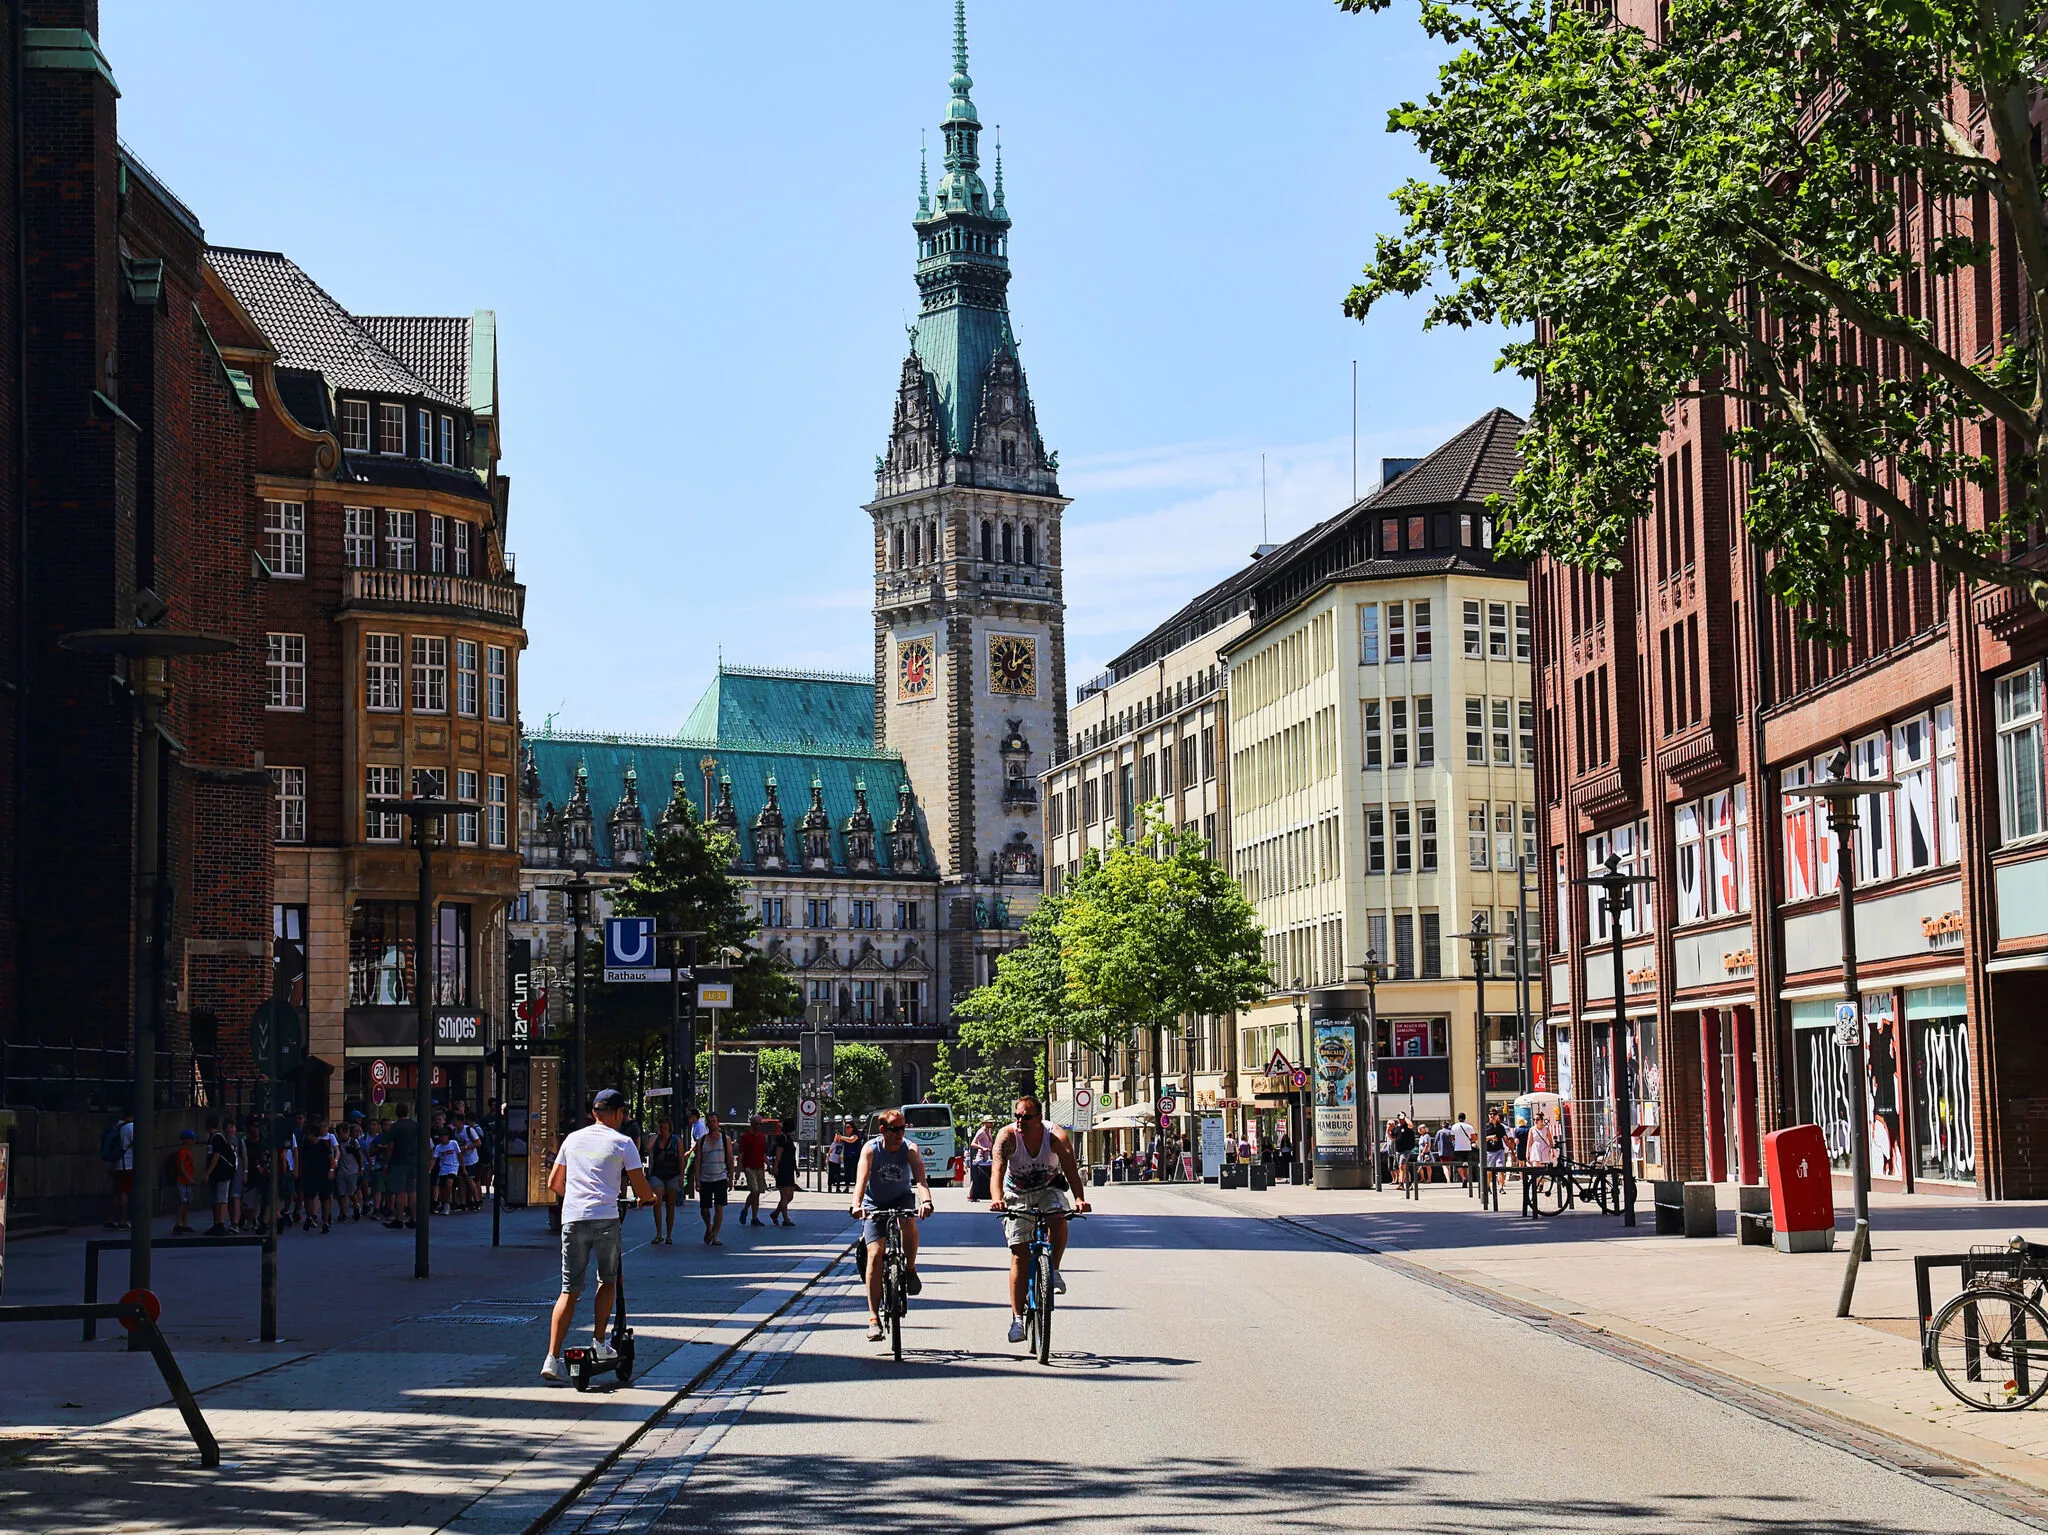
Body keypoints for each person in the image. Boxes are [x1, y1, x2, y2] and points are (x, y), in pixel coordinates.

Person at [543, 1088, 657, 1383]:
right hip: (606, 1219)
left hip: (573, 1219)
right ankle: (598, 1342)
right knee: (607, 1280)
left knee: (569, 1289)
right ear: (618, 1114)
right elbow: (642, 1188)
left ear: (594, 1113)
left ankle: (552, 1358)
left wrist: (577, 1200)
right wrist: (649, 1198)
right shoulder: (623, 1143)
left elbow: (555, 1183)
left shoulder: (572, 1138)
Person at [989, 1096, 1091, 1343]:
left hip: (1048, 1188)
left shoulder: (1055, 1136)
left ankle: (1053, 1269)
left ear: (1039, 1118)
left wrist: (1079, 1199)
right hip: (1016, 1193)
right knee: (1019, 1255)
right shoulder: (1007, 1137)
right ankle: (1017, 1320)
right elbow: (997, 1171)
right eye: (1017, 1116)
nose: (1020, 1121)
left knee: (1059, 1216)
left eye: (1026, 1116)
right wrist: (997, 1198)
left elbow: (1070, 1170)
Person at [848, 1108, 935, 1343]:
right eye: (894, 1129)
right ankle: (874, 1319)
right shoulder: (871, 1150)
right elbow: (861, 1180)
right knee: (875, 1255)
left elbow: (921, 1180)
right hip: (874, 1202)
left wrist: (926, 1201)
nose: (900, 1133)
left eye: (903, 1128)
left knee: (909, 1222)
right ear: (883, 1130)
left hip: (901, 1199)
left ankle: (910, 1269)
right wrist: (856, 1205)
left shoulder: (910, 1149)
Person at [690, 1110, 736, 1246]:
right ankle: (709, 1226)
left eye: (714, 1121)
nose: (712, 1124)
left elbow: (730, 1159)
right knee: (704, 1209)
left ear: (718, 1122)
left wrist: (731, 1178)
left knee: (719, 1207)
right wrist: (697, 1179)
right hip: (705, 1178)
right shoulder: (702, 1140)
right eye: (709, 1122)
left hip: (720, 1177)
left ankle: (715, 1235)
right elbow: (698, 1160)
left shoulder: (725, 1139)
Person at [644, 1116, 684, 1244]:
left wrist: (682, 1176)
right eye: (661, 1128)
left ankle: (669, 1235)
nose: (663, 1131)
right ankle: (659, 1233)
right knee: (657, 1202)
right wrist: (656, 1135)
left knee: (670, 1204)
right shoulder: (655, 1139)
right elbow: (647, 1149)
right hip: (657, 1174)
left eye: (666, 1128)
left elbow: (681, 1159)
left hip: (673, 1174)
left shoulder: (676, 1140)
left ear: (670, 1128)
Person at [384, 1101, 420, 1229]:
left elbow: (390, 1146)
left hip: (399, 1161)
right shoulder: (415, 1125)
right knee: (412, 1191)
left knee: (400, 1191)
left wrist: (387, 1163)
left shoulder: (396, 1127)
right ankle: (414, 1218)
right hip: (413, 1161)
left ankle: (399, 1219)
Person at [302, 1116, 338, 1232]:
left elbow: (331, 1159)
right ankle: (309, 1216)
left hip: (323, 1173)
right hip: (310, 1174)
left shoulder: (324, 1145)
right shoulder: (306, 1146)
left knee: (325, 1197)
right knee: (309, 1196)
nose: (308, 1137)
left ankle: (325, 1221)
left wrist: (331, 1170)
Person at [204, 1115, 237, 1236]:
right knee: (216, 1198)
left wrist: (207, 1172)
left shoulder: (216, 1138)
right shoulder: (214, 1138)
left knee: (222, 1198)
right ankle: (217, 1222)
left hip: (222, 1172)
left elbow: (216, 1155)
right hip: (218, 1173)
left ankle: (221, 1223)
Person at [737, 1115, 770, 1227]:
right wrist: (738, 1169)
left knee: (758, 1193)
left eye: (761, 1124)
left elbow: (764, 1154)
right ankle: (746, 1210)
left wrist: (770, 1166)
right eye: (757, 1124)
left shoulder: (762, 1137)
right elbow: (741, 1154)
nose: (759, 1126)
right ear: (752, 1124)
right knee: (754, 1191)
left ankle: (754, 1217)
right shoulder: (745, 1137)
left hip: (760, 1167)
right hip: (749, 1167)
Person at [171, 1129, 198, 1234]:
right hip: (182, 1181)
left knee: (186, 1203)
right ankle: (179, 1224)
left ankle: (185, 1224)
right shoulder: (183, 1152)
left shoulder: (188, 1151)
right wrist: (189, 1178)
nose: (194, 1140)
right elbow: (182, 1167)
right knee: (182, 1202)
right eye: (192, 1138)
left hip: (187, 1181)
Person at [771, 1123, 799, 1225]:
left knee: (790, 1196)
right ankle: (786, 1219)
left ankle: (775, 1213)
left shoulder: (789, 1139)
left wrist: (796, 1169)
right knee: (785, 1196)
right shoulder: (782, 1138)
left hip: (790, 1169)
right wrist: (775, 1167)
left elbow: (792, 1156)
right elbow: (779, 1153)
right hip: (782, 1169)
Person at [1388, 1114, 1419, 1192]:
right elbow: (1392, 1138)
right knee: (1403, 1167)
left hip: (1406, 1150)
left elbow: (1411, 1125)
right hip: (1398, 1150)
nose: (1400, 1120)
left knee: (1402, 1165)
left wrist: (1405, 1117)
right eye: (1399, 1119)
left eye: (1402, 1119)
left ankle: (1401, 1184)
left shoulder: (1407, 1126)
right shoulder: (1396, 1128)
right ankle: (1409, 1182)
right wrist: (1388, 1131)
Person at [969, 1115, 996, 1202]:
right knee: (976, 1178)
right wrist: (982, 1148)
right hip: (980, 1157)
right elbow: (973, 1143)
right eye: (990, 1122)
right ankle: (971, 1195)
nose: (992, 1124)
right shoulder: (981, 1132)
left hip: (987, 1157)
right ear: (985, 1123)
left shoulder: (989, 1131)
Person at [1451, 1110, 1476, 1189]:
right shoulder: (1469, 1126)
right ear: (1465, 1118)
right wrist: (1469, 1140)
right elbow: (1474, 1138)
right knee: (1466, 1164)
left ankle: (1463, 1178)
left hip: (1458, 1148)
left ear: (1458, 1118)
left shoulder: (1454, 1126)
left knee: (1458, 1164)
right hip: (1467, 1148)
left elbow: (1451, 1137)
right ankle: (1466, 1178)